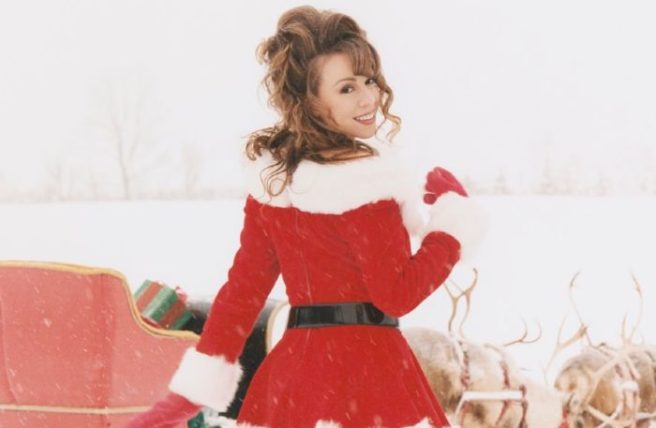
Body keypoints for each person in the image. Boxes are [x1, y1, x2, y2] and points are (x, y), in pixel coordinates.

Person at [127, 5, 486, 428]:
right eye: (347, 88)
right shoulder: (369, 186)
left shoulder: (276, 188)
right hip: (372, 380)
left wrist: (192, 391)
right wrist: (451, 228)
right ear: (309, 101)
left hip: (296, 380)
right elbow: (397, 294)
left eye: (369, 80)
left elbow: (242, 294)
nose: (368, 97)